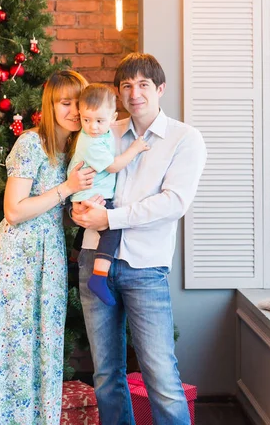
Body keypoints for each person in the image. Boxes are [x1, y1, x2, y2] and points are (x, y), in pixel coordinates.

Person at [72, 53, 207, 425]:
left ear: (160, 89)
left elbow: (174, 202)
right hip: (93, 258)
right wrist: (78, 210)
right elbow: (82, 180)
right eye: (126, 85)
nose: (135, 93)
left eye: (143, 84)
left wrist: (110, 217)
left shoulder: (185, 139)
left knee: (161, 376)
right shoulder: (104, 130)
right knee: (105, 376)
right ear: (118, 93)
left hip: (145, 267)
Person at [0, 70, 95, 425]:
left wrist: (80, 212)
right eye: (64, 103)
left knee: (43, 346)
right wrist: (68, 189)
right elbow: (14, 210)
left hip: (49, 258)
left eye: (77, 103)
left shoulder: (73, 150)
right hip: (15, 259)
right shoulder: (31, 143)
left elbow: (54, 214)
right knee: (11, 348)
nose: (72, 111)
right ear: (50, 105)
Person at [67, 83, 149, 306]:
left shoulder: (102, 134)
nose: (92, 127)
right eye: (86, 120)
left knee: (89, 227)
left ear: (112, 118)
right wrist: (135, 148)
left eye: (99, 121)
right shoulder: (89, 142)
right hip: (89, 196)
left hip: (90, 194)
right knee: (112, 229)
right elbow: (113, 166)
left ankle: (74, 258)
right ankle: (99, 278)